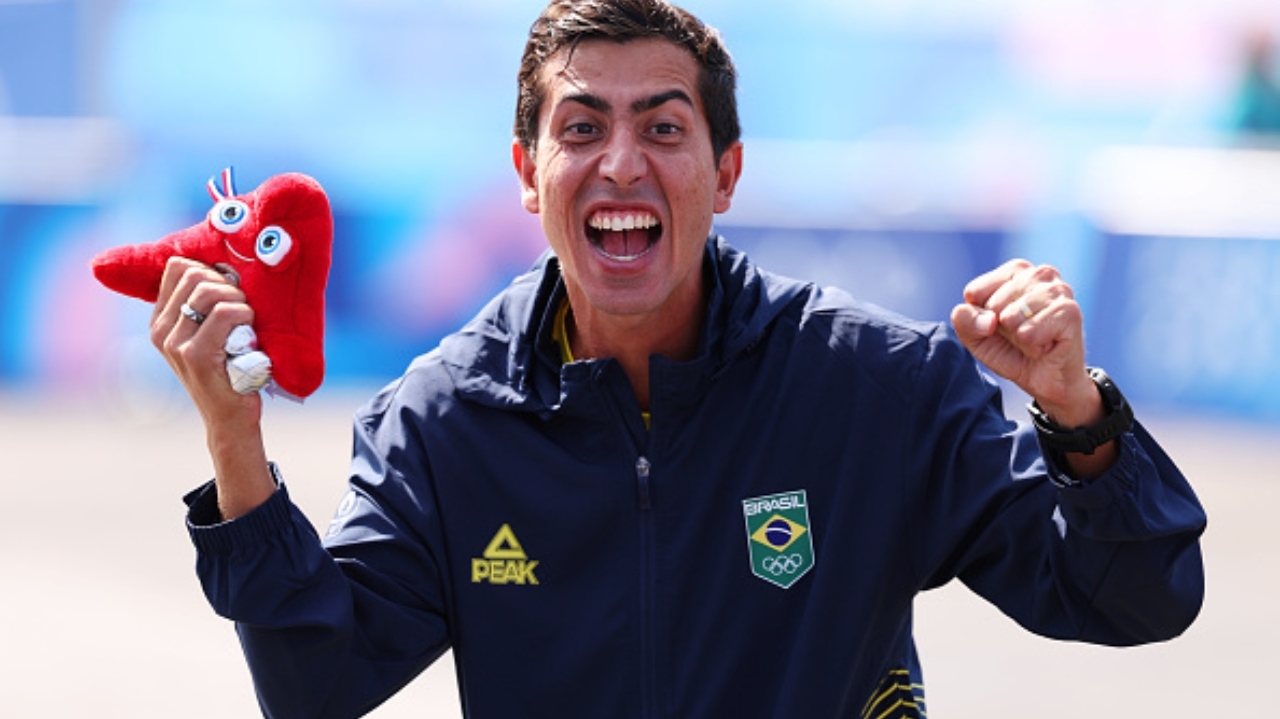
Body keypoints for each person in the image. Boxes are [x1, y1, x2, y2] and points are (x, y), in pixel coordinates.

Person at [149, 1, 1206, 717]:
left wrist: (1076, 413)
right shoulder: (441, 421)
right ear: (528, 171)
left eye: (662, 126)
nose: (620, 162)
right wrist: (236, 449)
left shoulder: (878, 385)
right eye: (581, 128)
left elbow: (1132, 598)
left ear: (725, 170)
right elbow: (317, 680)